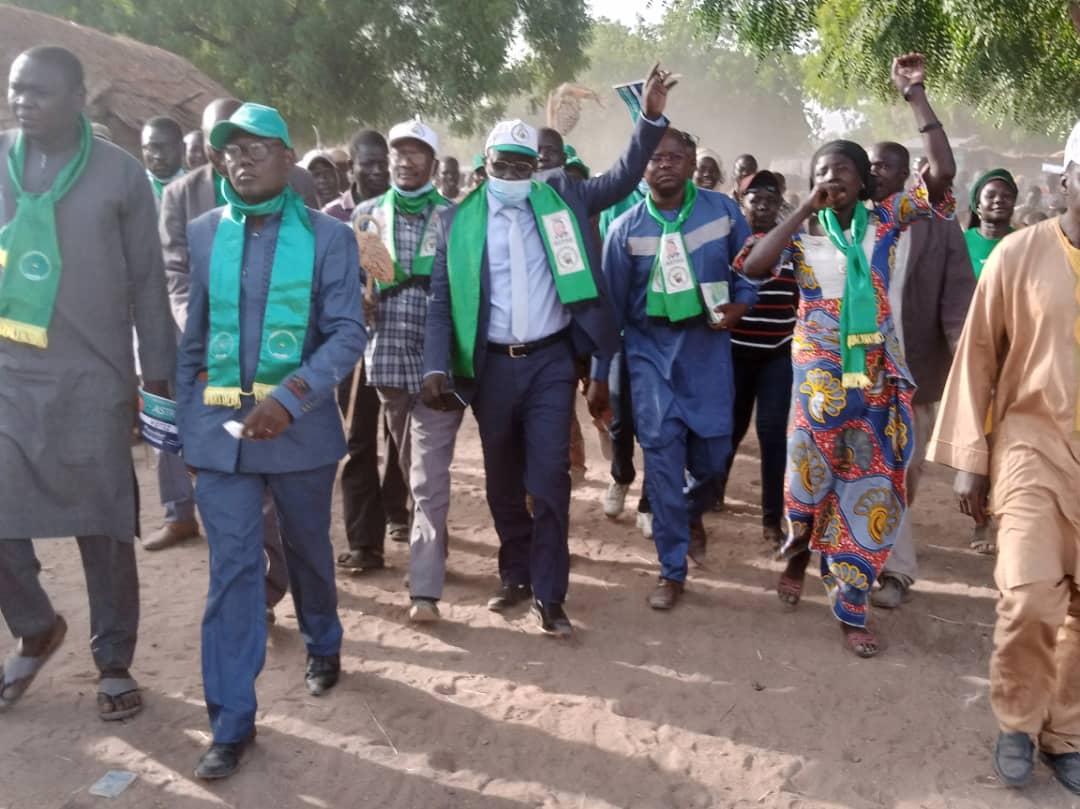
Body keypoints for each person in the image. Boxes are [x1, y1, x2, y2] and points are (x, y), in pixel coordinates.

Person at [422, 63, 678, 636]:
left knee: (550, 478)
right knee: (502, 480)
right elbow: (441, 303)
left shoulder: (561, 199)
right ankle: (513, 574)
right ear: (484, 166)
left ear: (536, 167)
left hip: (549, 364)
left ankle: (549, 593)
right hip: (489, 368)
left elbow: (621, 176)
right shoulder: (459, 222)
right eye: (501, 166)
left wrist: (650, 117)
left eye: (522, 165)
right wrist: (437, 365)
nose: (512, 174)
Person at [739, 53, 956, 658]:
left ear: (865, 181)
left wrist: (915, 95)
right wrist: (803, 209)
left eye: (840, 173)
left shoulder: (887, 221)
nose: (830, 180)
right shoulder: (801, 236)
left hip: (876, 383)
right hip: (817, 381)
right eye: (819, 173)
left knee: (868, 490)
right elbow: (755, 269)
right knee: (810, 482)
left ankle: (851, 606)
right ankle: (800, 551)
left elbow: (941, 172)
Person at [177, 103, 365, 779]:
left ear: (290, 160)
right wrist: (186, 428)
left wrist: (289, 399)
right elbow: (193, 339)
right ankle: (231, 721)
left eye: (258, 147)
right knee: (232, 574)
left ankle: (324, 639)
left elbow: (348, 332)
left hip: (300, 433)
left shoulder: (328, 238)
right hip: (221, 437)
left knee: (309, 547)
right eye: (231, 149)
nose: (241, 158)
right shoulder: (204, 234)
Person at [0, 46, 175, 719]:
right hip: (12, 370)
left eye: (39, 92)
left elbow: (147, 284)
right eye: (16, 90)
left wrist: (154, 384)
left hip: (94, 374)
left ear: (78, 97)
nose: (24, 103)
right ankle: (36, 623)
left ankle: (113, 662)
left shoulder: (120, 176)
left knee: (101, 525)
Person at [925, 120, 1080, 797]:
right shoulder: (1020, 255)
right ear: (1068, 179)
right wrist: (971, 458)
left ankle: (1065, 732)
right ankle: (1017, 719)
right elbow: (980, 355)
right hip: (1030, 447)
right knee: (1027, 595)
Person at [158, 98, 304, 618]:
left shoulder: (294, 183)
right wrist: (202, 324)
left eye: (245, 144)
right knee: (225, 479)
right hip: (210, 363)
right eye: (220, 146)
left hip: (277, 360)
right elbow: (175, 275)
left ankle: (270, 583)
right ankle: (251, 589)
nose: (229, 154)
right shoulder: (179, 197)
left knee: (270, 482)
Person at [599, 127, 757, 609]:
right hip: (650, 358)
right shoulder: (624, 229)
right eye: (655, 157)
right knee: (663, 466)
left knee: (712, 463)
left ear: (692, 164)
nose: (664, 164)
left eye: (675, 157)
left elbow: (747, 270)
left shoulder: (725, 212)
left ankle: (688, 511)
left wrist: (741, 305)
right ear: (641, 167)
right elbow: (610, 309)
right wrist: (599, 373)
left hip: (707, 353)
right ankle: (671, 569)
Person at [354, 120, 461, 622]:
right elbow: (363, 284)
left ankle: (424, 588)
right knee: (408, 467)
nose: (405, 161)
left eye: (417, 154)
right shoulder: (368, 217)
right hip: (389, 360)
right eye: (400, 152)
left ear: (433, 165)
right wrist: (361, 299)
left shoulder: (454, 219)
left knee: (427, 474)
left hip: (440, 362)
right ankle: (431, 546)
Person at [865, 141, 975, 608]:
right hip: (859, 378)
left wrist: (966, 363)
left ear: (910, 174)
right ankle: (893, 570)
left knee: (904, 474)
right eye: (870, 164)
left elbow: (957, 301)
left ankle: (887, 549)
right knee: (874, 470)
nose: (876, 171)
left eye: (886, 164)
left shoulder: (936, 225)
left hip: (915, 376)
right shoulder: (850, 223)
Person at [324, 129, 410, 573]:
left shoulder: (398, 211)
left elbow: (390, 273)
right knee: (358, 443)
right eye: (368, 163)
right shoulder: (337, 216)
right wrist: (350, 300)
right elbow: (319, 284)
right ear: (350, 167)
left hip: (396, 344)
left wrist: (377, 291)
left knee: (398, 438)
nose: (377, 171)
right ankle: (364, 544)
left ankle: (398, 510)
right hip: (351, 348)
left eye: (383, 163)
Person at [715, 170, 797, 548]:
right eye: (755, 199)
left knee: (771, 435)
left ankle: (770, 518)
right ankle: (713, 493)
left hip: (777, 356)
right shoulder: (730, 242)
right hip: (735, 354)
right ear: (741, 202)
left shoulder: (794, 244)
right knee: (728, 429)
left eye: (770, 200)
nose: (763, 206)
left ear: (780, 204)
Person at [138, 115, 203, 551]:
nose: (157, 154)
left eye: (165, 146)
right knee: (161, 416)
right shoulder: (132, 191)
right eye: (149, 146)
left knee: (206, 411)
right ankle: (178, 514)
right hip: (149, 320)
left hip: (198, 319)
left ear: (182, 148)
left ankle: (220, 509)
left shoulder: (198, 191)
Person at [965, 169, 1018, 280]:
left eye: (1006, 196)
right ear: (978, 205)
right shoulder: (960, 243)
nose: (998, 200)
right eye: (990, 196)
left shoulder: (1023, 243)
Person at [141, 116, 185, 202]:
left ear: (183, 148)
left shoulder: (199, 187)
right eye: (151, 148)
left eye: (167, 148)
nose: (159, 156)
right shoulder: (131, 187)